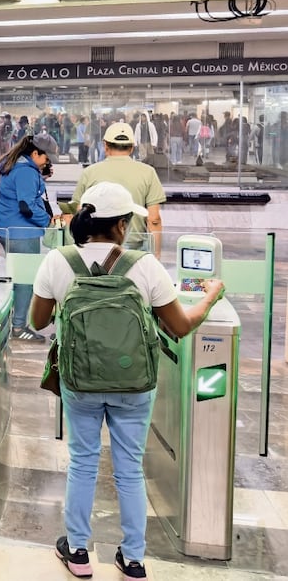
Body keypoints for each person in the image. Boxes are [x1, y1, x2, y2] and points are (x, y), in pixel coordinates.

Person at [30, 182, 225, 581]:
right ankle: (133, 557)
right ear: (120, 225)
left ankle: (79, 552)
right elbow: (181, 326)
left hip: (80, 381)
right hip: (135, 383)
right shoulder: (146, 266)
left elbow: (36, 321)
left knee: (83, 463)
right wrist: (211, 295)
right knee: (129, 469)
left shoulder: (57, 261)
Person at [71, 123, 165, 259]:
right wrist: (156, 255)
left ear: (105, 145)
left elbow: (78, 211)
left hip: (97, 246)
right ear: (132, 147)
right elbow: (154, 219)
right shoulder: (148, 172)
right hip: (135, 248)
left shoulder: (90, 172)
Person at [0, 138, 51, 342]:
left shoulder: (14, 164)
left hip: (6, 227)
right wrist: (48, 221)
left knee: (16, 277)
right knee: (25, 280)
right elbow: (26, 206)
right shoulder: (26, 172)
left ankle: (11, 321)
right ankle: (19, 327)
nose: (47, 161)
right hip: (22, 231)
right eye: (46, 157)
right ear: (34, 154)